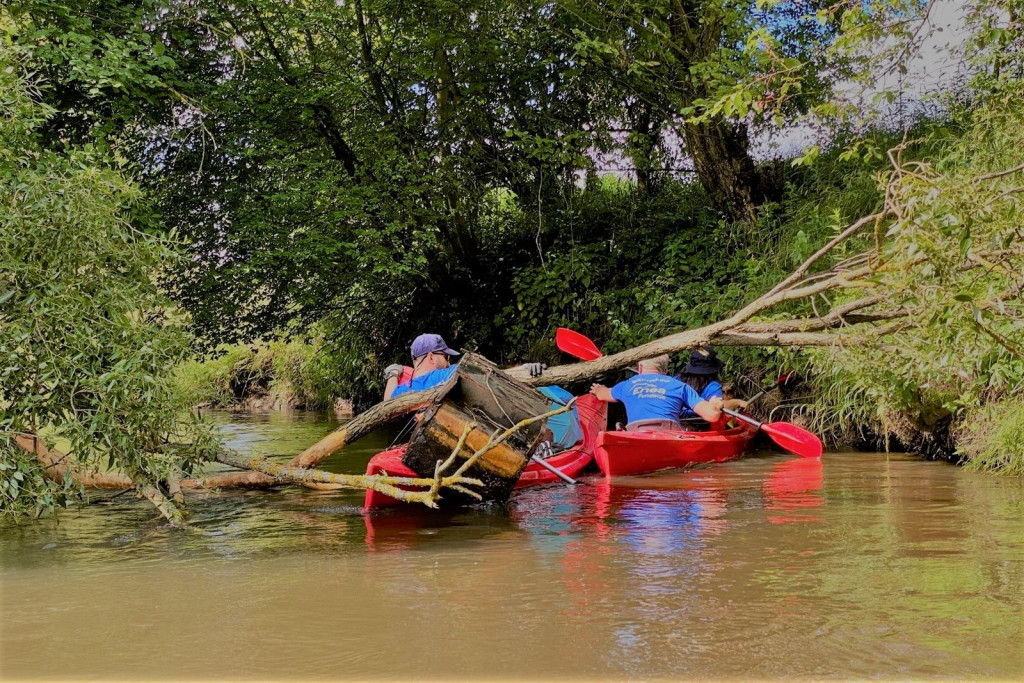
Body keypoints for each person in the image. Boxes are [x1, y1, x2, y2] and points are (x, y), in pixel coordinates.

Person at [382, 333, 547, 400]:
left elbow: (387, 400)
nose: (448, 361)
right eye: (445, 356)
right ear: (431, 357)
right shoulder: (446, 374)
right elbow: (492, 374)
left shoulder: (406, 390)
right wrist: (524, 368)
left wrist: (394, 373)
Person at [589, 354, 723, 431]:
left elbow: (603, 394)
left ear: (640, 368)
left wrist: (598, 388)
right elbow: (711, 415)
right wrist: (714, 405)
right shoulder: (680, 386)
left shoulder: (627, 385)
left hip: (636, 434)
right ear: (665, 371)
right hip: (670, 435)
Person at [677, 347, 747, 421]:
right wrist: (738, 402)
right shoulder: (713, 386)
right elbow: (721, 406)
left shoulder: (676, 380)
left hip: (676, 418)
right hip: (701, 424)